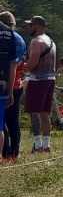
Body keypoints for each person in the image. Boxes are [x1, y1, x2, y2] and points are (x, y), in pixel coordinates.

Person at [24, 16, 56, 153]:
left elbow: (33, 61)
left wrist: (23, 69)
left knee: (34, 112)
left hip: (37, 80)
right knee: (45, 113)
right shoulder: (51, 41)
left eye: (30, 25)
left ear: (37, 26)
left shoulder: (36, 41)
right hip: (50, 79)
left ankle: (38, 146)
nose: (29, 28)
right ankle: (46, 145)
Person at [0, 12, 26, 162]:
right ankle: (14, 153)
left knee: (2, 122)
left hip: (6, 84)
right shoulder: (20, 39)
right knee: (13, 121)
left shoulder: (5, 38)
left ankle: (5, 153)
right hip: (17, 84)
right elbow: (21, 62)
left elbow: (12, 66)